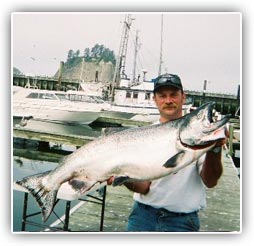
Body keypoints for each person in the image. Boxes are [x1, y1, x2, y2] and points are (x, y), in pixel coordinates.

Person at [108, 73, 228, 232]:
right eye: (162, 96)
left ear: (183, 97)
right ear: (155, 100)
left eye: (174, 95)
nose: (169, 100)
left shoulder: (197, 135)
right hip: (143, 217)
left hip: (182, 222)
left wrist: (216, 148)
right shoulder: (143, 135)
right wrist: (123, 178)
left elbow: (211, 181)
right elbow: (144, 188)